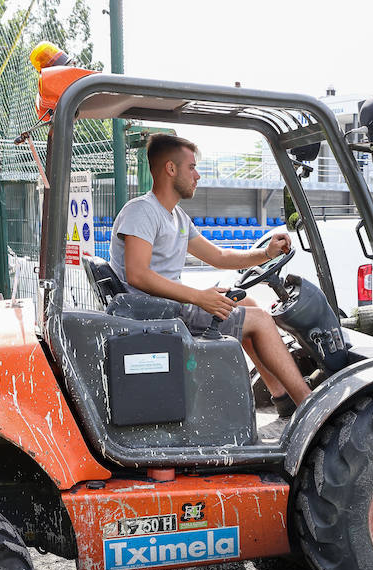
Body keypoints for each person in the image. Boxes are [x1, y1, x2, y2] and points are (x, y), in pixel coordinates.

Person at [109, 134, 310, 420]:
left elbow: (219, 257)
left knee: (249, 303)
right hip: (156, 318)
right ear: (170, 169)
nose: (198, 175)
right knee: (262, 321)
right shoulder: (142, 212)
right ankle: (311, 407)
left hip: (170, 308)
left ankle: (282, 399)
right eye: (191, 167)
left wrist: (266, 254)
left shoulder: (176, 217)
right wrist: (200, 297)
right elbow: (138, 275)